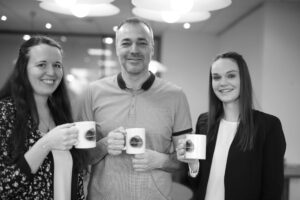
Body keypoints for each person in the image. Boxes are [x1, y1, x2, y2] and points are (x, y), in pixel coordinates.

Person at [79, 17, 192, 200]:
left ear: (152, 49)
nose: (134, 50)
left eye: (142, 43)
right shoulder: (93, 93)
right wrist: (104, 145)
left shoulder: (176, 96)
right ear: (117, 48)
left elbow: (187, 159)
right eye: (126, 43)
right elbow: (81, 158)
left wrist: (161, 160)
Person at [176, 51, 286, 200]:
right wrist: (193, 165)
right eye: (216, 77)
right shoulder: (204, 122)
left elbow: (272, 191)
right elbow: (195, 185)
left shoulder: (268, 126)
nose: (222, 83)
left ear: (243, 79)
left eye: (231, 75)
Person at [0, 35, 86, 199]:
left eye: (57, 65)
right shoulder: (5, 112)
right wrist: (46, 143)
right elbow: (4, 186)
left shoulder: (60, 114)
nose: (52, 72)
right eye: (41, 65)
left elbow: (74, 177)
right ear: (23, 69)